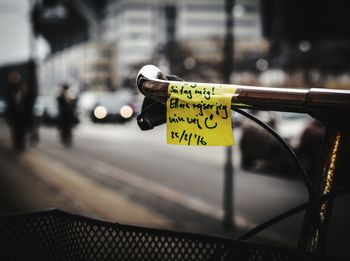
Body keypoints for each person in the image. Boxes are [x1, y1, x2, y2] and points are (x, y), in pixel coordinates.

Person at [4, 71, 33, 152]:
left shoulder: (24, 88)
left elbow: (29, 102)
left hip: (23, 115)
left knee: (22, 131)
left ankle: (21, 145)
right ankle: (17, 144)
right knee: (15, 131)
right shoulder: (9, 89)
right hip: (14, 115)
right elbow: (8, 104)